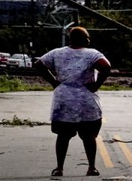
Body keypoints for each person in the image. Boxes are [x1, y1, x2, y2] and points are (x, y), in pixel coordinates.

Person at [34, 26, 111, 177]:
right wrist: (96, 85)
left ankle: (59, 168)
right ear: (84, 39)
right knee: (89, 136)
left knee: (63, 136)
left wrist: (53, 82)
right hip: (86, 101)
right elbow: (106, 67)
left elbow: (38, 64)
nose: (89, 40)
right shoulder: (92, 54)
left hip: (64, 101)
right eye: (87, 37)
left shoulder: (57, 53)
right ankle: (91, 168)